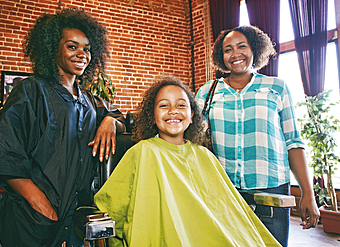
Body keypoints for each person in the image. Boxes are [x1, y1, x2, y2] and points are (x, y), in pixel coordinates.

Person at [0, 8, 125, 247]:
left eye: (87, 49)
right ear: (53, 49)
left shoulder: (90, 100)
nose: (82, 54)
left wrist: (110, 120)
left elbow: (120, 116)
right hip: (31, 218)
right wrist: (42, 208)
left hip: (73, 216)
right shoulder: (30, 91)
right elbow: (7, 156)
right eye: (72, 46)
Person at [94, 76, 281, 247]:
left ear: (192, 116)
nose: (173, 111)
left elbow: (227, 210)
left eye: (181, 105)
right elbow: (110, 208)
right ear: (153, 116)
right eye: (164, 105)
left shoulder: (205, 156)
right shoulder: (143, 152)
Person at [195, 25, 320, 247]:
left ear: (255, 49)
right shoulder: (206, 92)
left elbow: (293, 142)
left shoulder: (277, 88)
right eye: (228, 50)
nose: (235, 54)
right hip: (223, 190)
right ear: (220, 56)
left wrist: (307, 193)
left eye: (241, 46)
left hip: (271, 190)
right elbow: (193, 143)